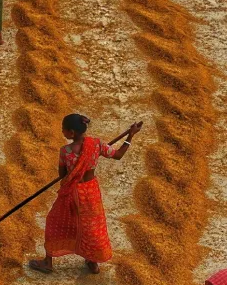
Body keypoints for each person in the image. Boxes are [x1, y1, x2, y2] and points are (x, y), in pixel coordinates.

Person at [28, 114, 142, 274]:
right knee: (92, 226)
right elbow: (118, 155)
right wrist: (130, 136)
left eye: (64, 130)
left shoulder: (65, 151)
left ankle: (48, 262)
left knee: (54, 221)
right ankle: (93, 261)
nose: (62, 132)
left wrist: (75, 167)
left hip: (72, 192)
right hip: (90, 193)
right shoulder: (96, 145)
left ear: (72, 133)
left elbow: (62, 174)